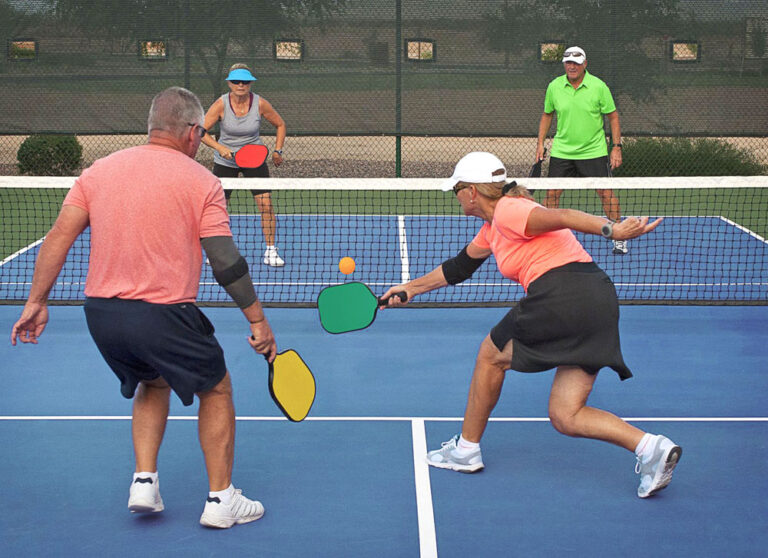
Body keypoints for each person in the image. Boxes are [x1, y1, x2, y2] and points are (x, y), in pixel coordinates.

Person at [11, 87, 277, 528]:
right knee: (217, 388)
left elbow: (59, 235)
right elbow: (225, 260)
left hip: (101, 315)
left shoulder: (100, 170)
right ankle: (221, 500)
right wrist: (258, 320)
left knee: (153, 383)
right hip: (163, 314)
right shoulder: (202, 182)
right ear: (194, 133)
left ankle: (144, 483)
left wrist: (36, 302)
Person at [380, 152, 682, 499]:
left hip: (562, 294)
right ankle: (651, 448)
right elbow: (459, 268)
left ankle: (465, 449)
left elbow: (563, 215)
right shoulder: (494, 227)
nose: (456, 196)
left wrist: (612, 229)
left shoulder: (511, 209)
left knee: (490, 355)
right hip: (596, 300)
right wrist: (409, 289)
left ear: (473, 192)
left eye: (457, 189)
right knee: (565, 414)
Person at [536, 46, 628, 255]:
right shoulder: (554, 86)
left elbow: (613, 116)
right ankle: (548, 237)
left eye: (576, 62)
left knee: (605, 193)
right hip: (562, 151)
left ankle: (619, 235)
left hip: (594, 152)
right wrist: (540, 143)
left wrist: (616, 147)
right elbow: (547, 114)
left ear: (584, 64)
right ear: (564, 65)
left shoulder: (599, 87)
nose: (572, 66)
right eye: (568, 62)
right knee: (551, 194)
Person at [202, 63, 287, 267]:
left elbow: (280, 124)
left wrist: (278, 150)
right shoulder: (221, 104)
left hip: (253, 159)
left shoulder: (260, 104)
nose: (241, 85)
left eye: (245, 81)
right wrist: (219, 148)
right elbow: (201, 131)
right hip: (225, 160)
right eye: (236, 81)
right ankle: (215, 251)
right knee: (219, 207)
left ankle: (270, 251)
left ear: (250, 84)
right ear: (229, 83)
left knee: (265, 204)